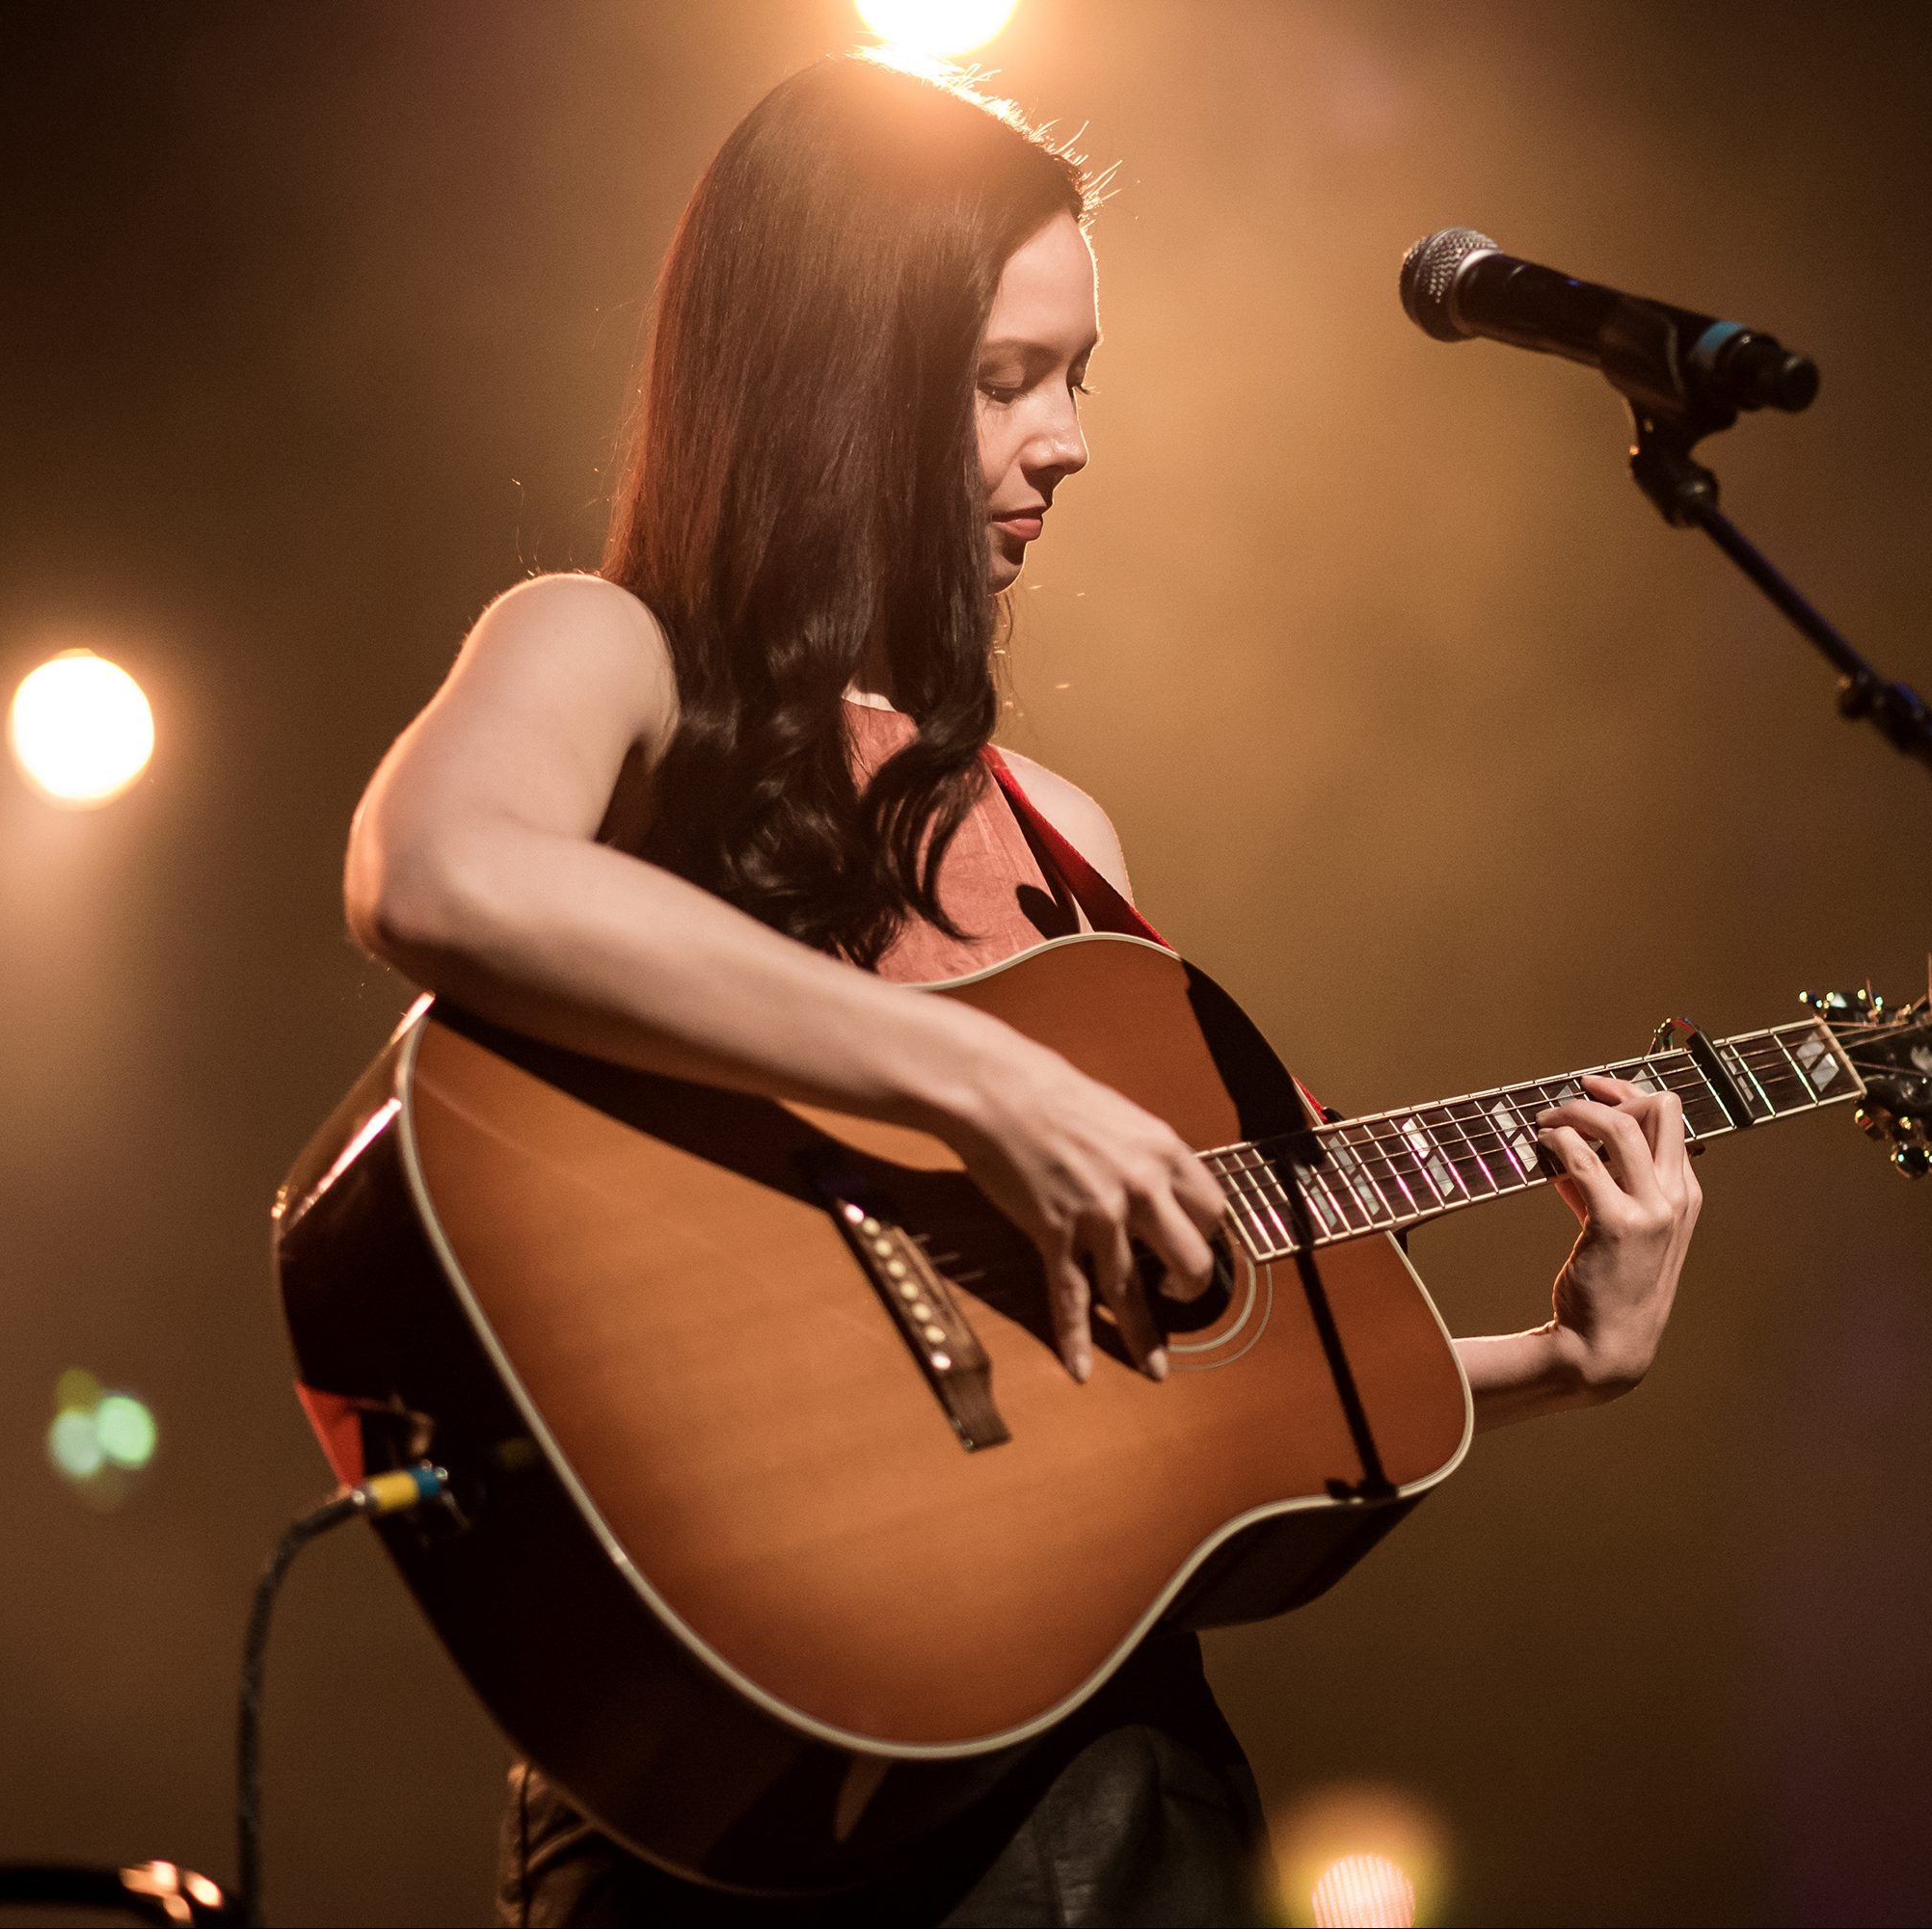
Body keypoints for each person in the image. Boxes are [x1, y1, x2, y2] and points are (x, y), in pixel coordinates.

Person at [340, 50, 1702, 1929]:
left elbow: (1152, 1453)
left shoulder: (1063, 837)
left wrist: (1552, 1365)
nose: (1063, 439)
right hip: (726, 1788)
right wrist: (978, 1085)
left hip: (1096, 1789)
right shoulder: (608, 647)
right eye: (1001, 381)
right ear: (830, 380)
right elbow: (434, 872)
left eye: (1074, 378)